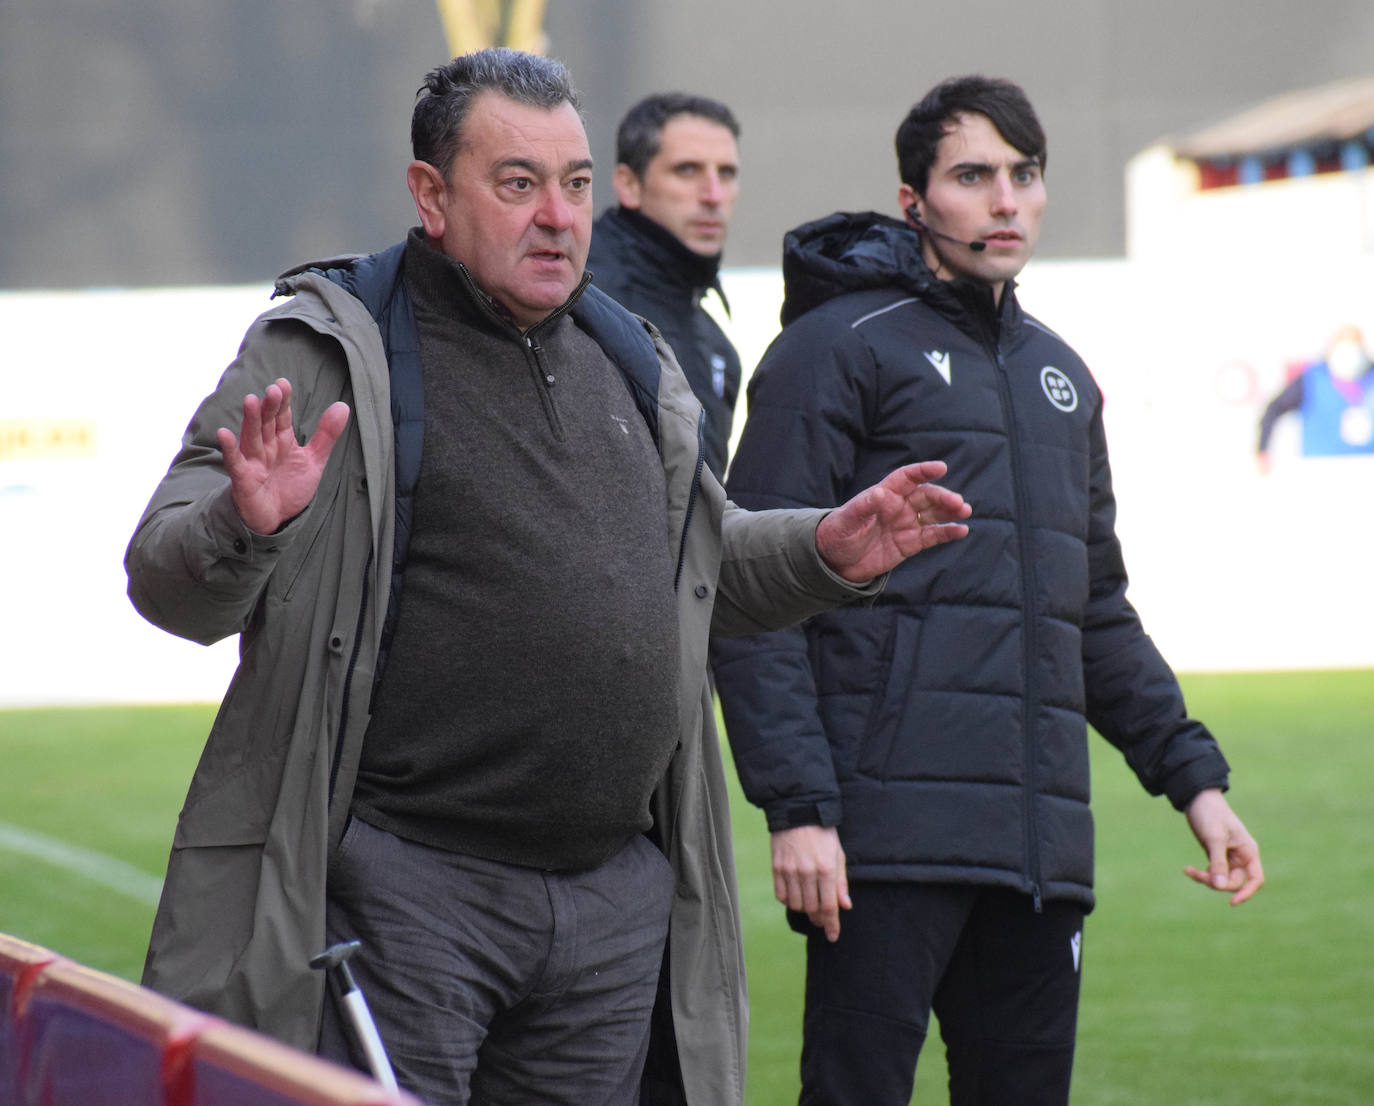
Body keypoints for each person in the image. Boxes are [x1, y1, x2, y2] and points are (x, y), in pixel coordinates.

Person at [124, 49, 972, 1106]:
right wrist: (242, 523)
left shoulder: (632, 355)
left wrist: (823, 551)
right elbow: (165, 580)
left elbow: (696, 567)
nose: (559, 217)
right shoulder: (327, 349)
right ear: (431, 195)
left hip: (611, 908)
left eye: (574, 184)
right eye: (517, 183)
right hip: (408, 892)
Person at [711, 75, 1264, 1106]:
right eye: (973, 176)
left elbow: (1095, 612)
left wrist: (1197, 782)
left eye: (1025, 173)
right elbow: (745, 590)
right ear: (913, 199)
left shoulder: (1063, 376)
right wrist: (799, 808)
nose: (1006, 200)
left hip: (1038, 854)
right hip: (881, 844)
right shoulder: (835, 348)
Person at [587, 93, 742, 479]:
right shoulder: (578, 303)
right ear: (629, 184)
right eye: (687, 170)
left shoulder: (718, 345)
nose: (713, 196)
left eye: (726, 173)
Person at [1256, 323, 1374, 473]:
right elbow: (1275, 408)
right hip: (1319, 468)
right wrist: (1262, 450)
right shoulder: (1312, 377)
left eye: (1355, 344)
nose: (1349, 352)